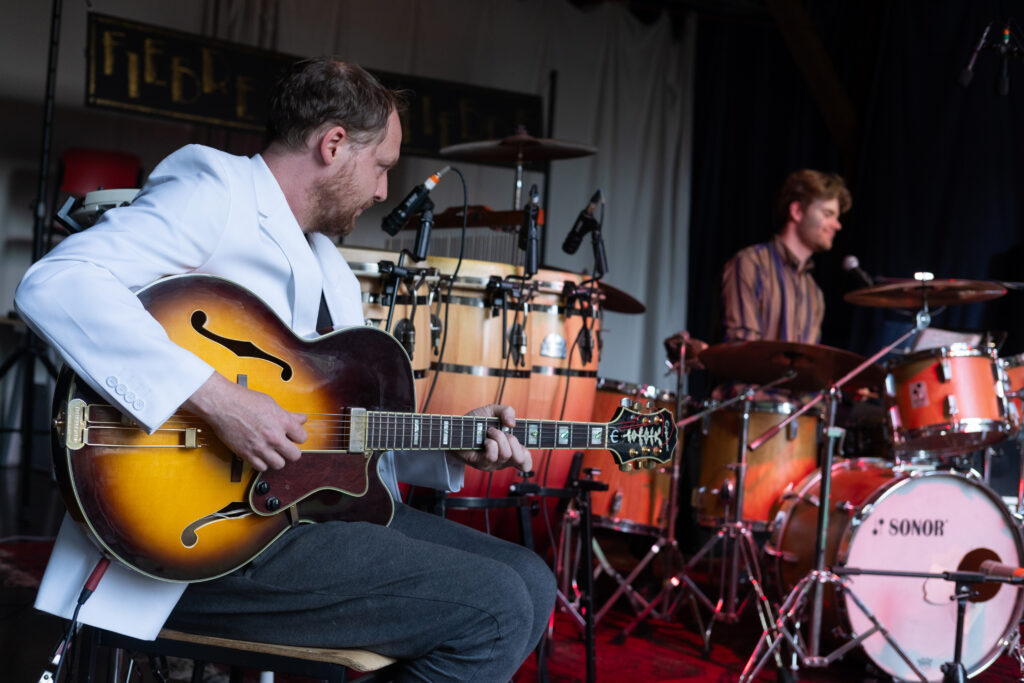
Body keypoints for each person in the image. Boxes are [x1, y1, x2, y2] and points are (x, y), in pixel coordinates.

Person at [18, 57, 555, 682]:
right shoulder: (215, 192)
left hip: (306, 515)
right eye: (381, 167)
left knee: (530, 582)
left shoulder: (329, 267)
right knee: (494, 608)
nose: (384, 192)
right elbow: (55, 283)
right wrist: (218, 399)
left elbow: (346, 438)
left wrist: (457, 447)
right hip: (203, 542)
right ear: (333, 145)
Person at [720, 168, 852, 344]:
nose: (837, 225)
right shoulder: (751, 264)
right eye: (828, 214)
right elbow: (742, 351)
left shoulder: (814, 293)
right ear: (797, 211)